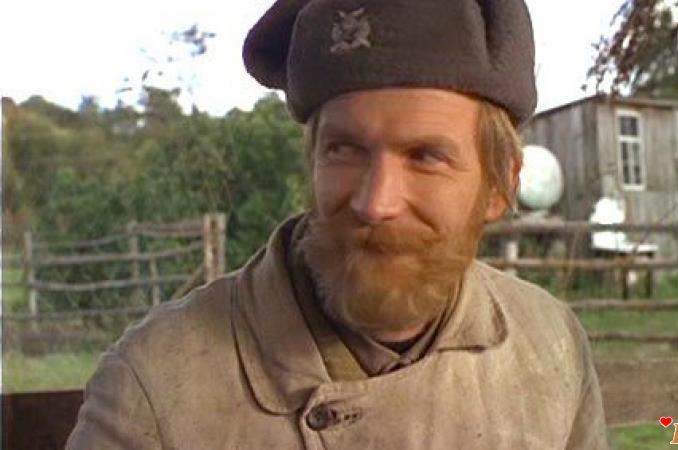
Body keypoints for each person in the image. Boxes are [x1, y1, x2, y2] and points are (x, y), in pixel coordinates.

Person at [66, 0, 608, 448]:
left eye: (425, 156)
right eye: (344, 149)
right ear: (312, 162)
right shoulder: (155, 386)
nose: (375, 203)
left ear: (500, 185)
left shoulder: (551, 346)